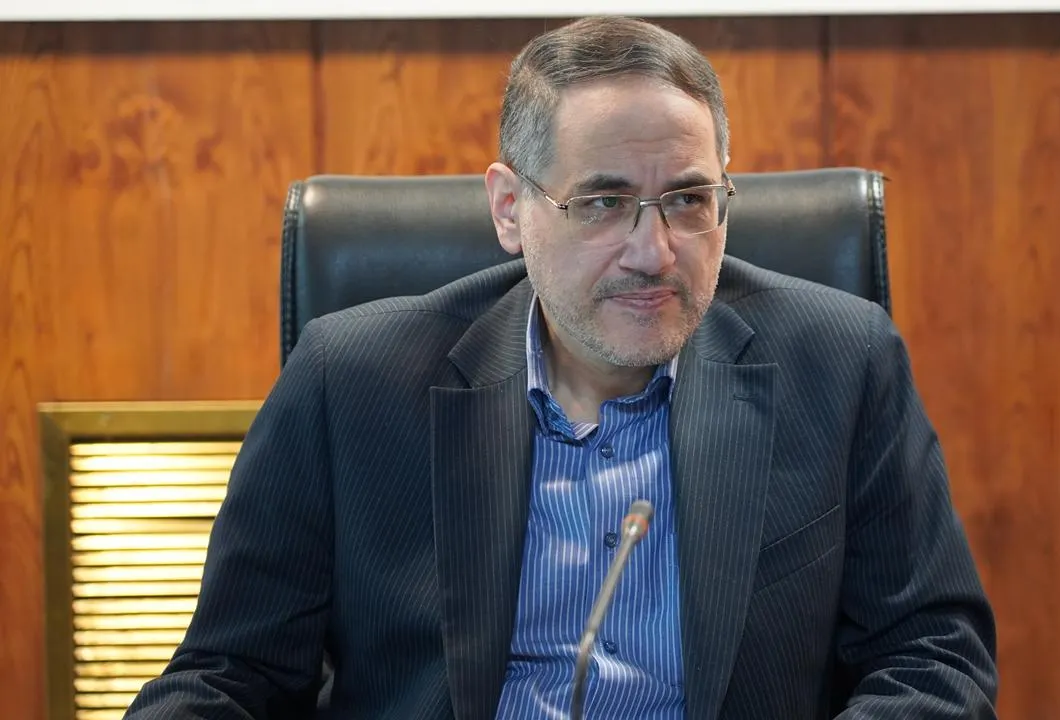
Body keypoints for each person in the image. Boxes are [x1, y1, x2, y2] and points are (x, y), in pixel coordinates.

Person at [124, 15, 997, 720]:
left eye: (688, 199)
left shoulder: (841, 365)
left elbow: (932, 658)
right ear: (511, 209)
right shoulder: (350, 382)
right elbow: (230, 677)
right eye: (604, 203)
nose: (653, 252)